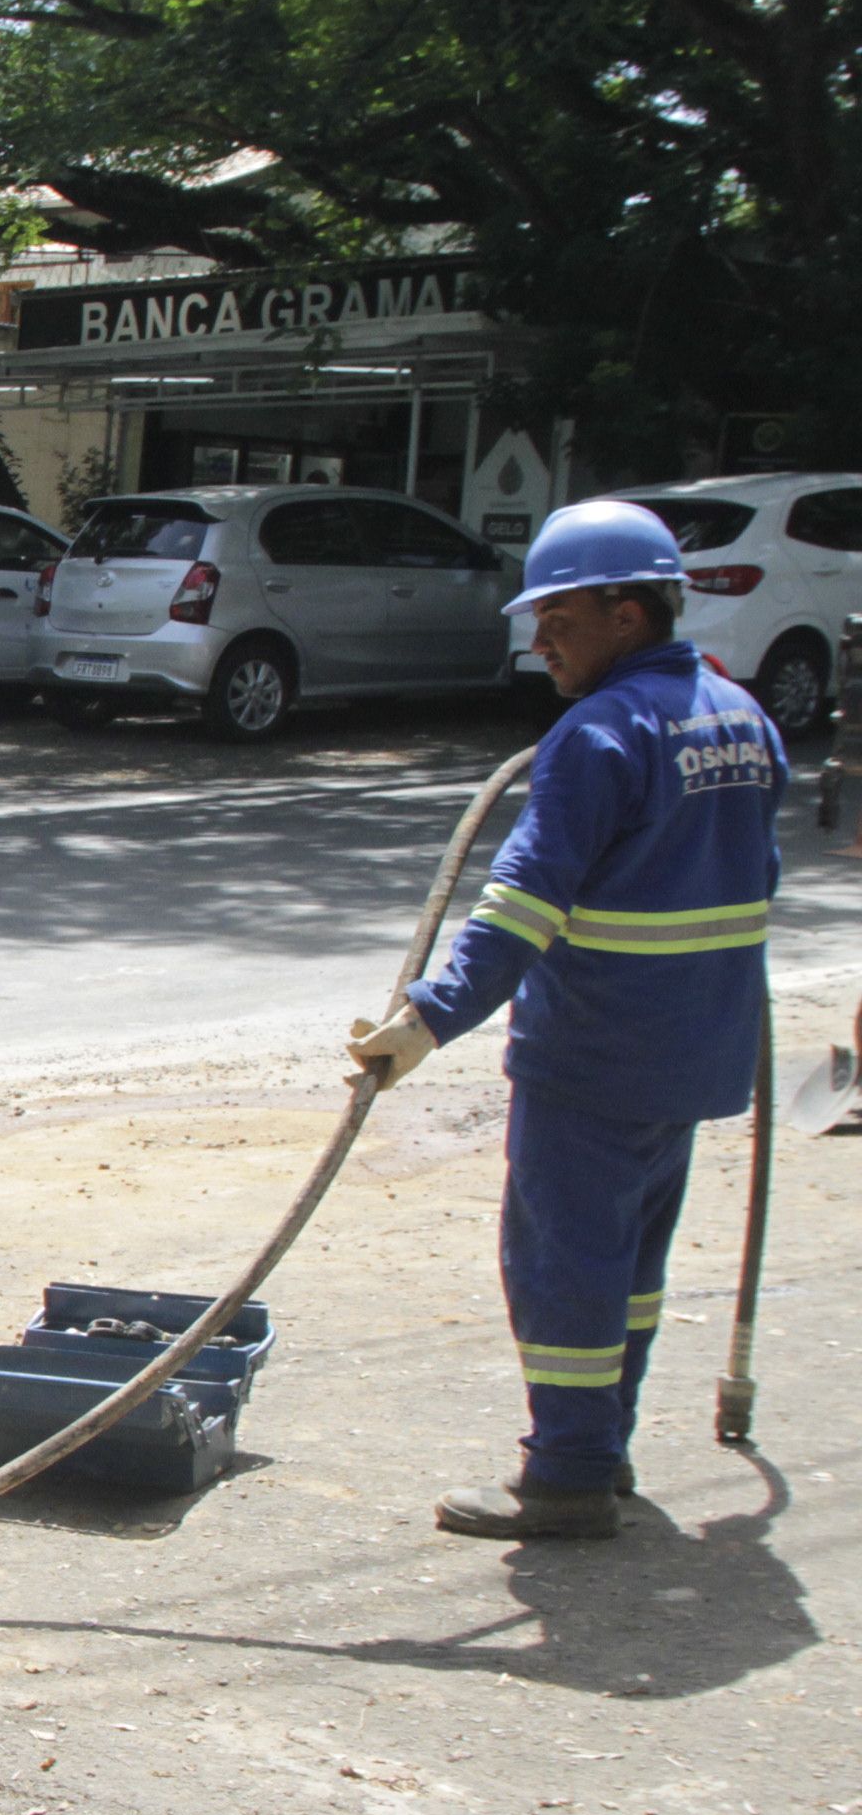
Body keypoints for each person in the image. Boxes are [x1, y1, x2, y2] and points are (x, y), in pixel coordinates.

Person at [347, 499, 784, 1541]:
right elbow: (754, 878)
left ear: (627, 615)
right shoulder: (740, 717)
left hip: (595, 1055)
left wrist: (427, 1019)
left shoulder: (599, 734)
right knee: (628, 1266)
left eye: (560, 619)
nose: (540, 641)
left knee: (563, 1265)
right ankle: (605, 1444)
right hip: (694, 1055)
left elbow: (520, 909)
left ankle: (570, 1476)